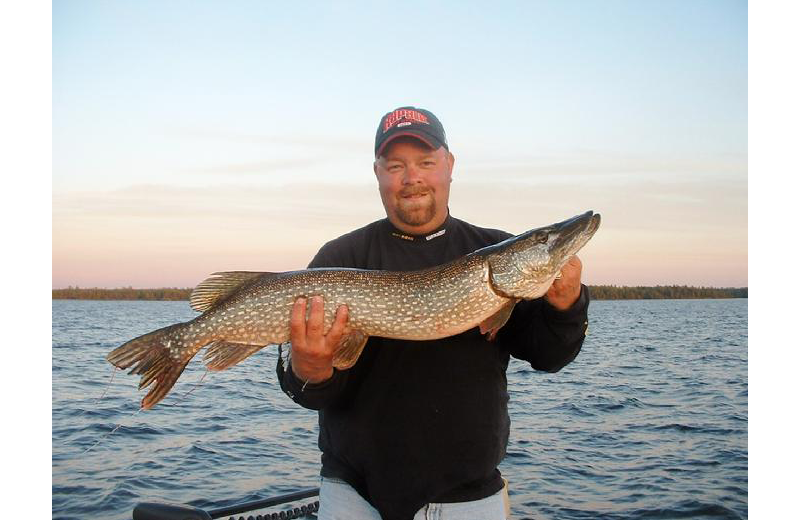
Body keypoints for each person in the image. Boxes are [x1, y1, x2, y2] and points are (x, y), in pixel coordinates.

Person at [277, 106, 590, 520]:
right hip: (353, 496)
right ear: (378, 173)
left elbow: (550, 356)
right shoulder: (341, 257)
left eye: (426, 162)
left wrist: (566, 306)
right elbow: (300, 387)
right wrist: (309, 369)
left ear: (449, 166)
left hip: (469, 499)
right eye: (396, 165)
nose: (413, 178)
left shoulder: (493, 249)